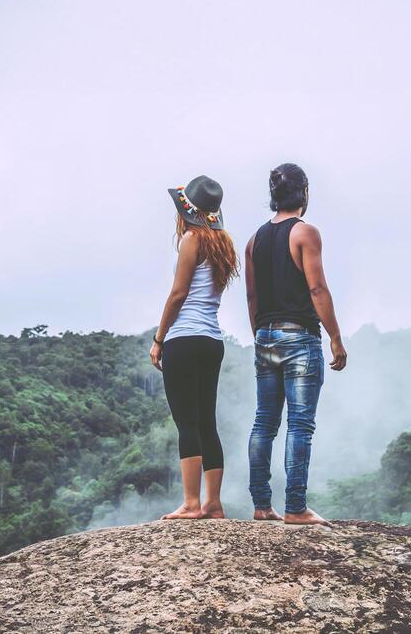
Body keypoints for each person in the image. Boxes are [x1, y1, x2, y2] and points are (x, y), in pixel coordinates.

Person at [245, 162, 347, 526]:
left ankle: (261, 505)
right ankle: (295, 507)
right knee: (300, 425)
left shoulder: (254, 240)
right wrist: (335, 337)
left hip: (264, 335)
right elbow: (317, 288)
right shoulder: (305, 233)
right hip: (300, 336)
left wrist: (259, 334)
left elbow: (252, 296)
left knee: (264, 422)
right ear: (304, 193)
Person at [148, 174, 237, 520]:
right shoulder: (222, 243)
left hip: (183, 340)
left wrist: (159, 338)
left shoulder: (190, 239)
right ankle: (213, 502)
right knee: (206, 421)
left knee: (186, 422)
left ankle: (191, 503)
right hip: (212, 341)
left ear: (186, 212)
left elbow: (178, 294)